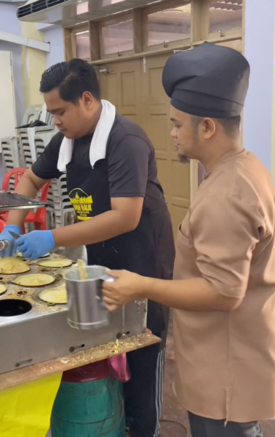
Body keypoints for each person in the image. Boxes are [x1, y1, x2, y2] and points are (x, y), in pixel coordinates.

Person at [0, 59, 174, 437]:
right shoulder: (67, 141)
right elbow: (29, 179)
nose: (55, 121)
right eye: (51, 112)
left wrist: (52, 238)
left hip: (142, 259)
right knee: (104, 345)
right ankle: (113, 420)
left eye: (60, 111)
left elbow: (125, 216)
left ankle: (144, 429)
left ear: (88, 100)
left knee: (142, 349)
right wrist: (13, 227)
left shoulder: (125, 140)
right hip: (101, 256)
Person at [102, 43, 271, 437]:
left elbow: (224, 291)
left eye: (178, 125)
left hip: (225, 375)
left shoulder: (226, 194)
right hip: (231, 357)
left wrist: (140, 285)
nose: (173, 134)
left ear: (208, 127)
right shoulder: (243, 167)